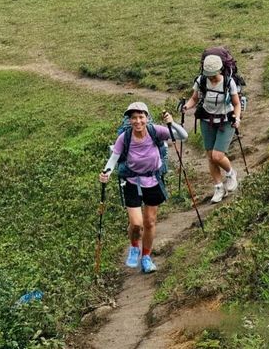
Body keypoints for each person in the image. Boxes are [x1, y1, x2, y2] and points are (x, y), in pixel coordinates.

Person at [99, 101, 187, 274]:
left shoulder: (156, 131)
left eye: (141, 117)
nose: (138, 121)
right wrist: (106, 173)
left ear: (147, 118)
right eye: (133, 118)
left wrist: (172, 123)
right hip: (132, 181)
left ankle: (146, 257)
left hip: (153, 180)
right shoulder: (124, 137)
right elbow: (114, 158)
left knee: (150, 222)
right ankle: (134, 247)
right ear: (129, 120)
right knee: (137, 224)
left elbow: (183, 136)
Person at [181, 53, 241, 204]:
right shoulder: (201, 81)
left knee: (217, 156)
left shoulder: (229, 82)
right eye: (209, 75)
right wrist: (186, 106)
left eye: (213, 75)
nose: (211, 78)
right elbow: (194, 98)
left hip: (226, 121)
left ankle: (230, 173)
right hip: (207, 121)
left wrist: (237, 118)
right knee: (210, 156)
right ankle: (219, 187)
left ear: (220, 70)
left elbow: (236, 104)